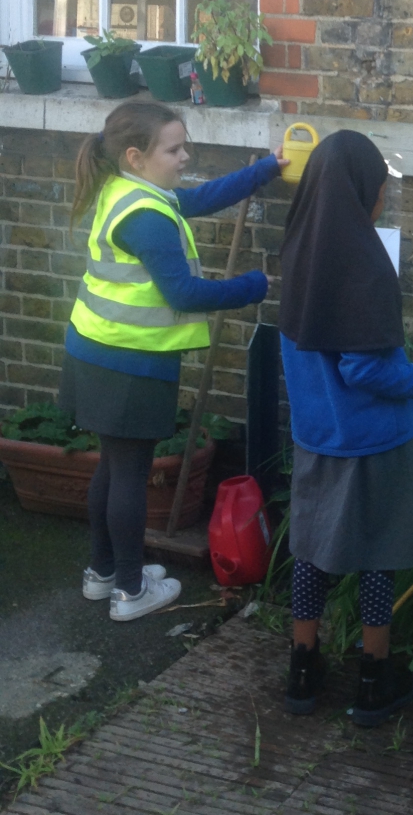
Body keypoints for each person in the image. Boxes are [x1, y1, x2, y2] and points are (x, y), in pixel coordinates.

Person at [61, 101, 282, 622]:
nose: (185, 157)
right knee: (129, 474)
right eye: (174, 149)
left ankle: (104, 573)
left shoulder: (125, 190)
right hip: (129, 364)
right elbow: (183, 293)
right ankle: (130, 591)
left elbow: (198, 199)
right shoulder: (146, 218)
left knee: (113, 467)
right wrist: (253, 286)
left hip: (95, 350)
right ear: (136, 156)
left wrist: (264, 170)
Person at [277, 130, 413, 726]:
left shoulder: (297, 251)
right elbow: (364, 369)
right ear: (362, 192)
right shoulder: (366, 269)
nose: (381, 202)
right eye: (380, 191)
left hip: (316, 434)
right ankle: (374, 678)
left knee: (311, 551)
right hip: (375, 441)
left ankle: (303, 669)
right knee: (378, 556)